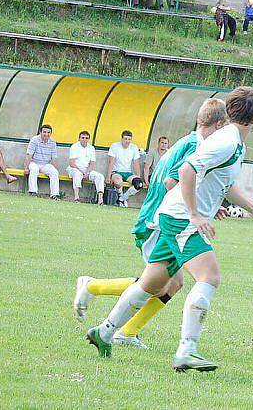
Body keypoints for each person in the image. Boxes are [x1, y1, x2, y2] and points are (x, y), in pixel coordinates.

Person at [85, 87, 253, 373]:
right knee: (209, 277)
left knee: (150, 284)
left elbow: (223, 183)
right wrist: (196, 214)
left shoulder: (234, 142)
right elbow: (187, 170)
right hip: (181, 219)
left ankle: (104, 332)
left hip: (173, 216)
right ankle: (187, 350)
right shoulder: (226, 142)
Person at [73, 99, 228, 350]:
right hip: (159, 222)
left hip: (162, 219)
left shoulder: (187, 142)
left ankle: (127, 330)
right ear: (219, 125)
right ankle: (92, 286)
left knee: (172, 283)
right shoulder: (195, 146)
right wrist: (196, 211)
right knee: (157, 284)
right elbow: (171, 182)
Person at [67, 131, 105, 204]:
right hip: (75, 168)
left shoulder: (91, 148)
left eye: (86, 138)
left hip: (87, 170)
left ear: (89, 139)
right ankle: (76, 197)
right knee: (77, 173)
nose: (84, 140)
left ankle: (100, 200)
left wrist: (87, 172)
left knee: (100, 176)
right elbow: (72, 163)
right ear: (79, 139)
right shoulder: (74, 146)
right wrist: (82, 172)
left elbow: (92, 163)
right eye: (82, 138)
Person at [108, 130, 143, 208]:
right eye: (125, 139)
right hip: (116, 172)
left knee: (139, 184)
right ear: (122, 139)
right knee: (118, 182)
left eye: (129, 139)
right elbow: (111, 162)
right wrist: (108, 176)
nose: (127, 141)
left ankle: (122, 199)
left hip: (128, 172)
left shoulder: (134, 147)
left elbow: (136, 164)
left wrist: (138, 176)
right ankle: (121, 197)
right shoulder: (115, 146)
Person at [24, 124, 59, 199]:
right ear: (40, 132)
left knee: (55, 172)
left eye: (48, 132)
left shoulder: (53, 142)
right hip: (34, 162)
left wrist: (53, 168)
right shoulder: (34, 140)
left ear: (51, 133)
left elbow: (54, 158)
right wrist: (26, 168)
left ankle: (54, 195)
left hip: (45, 164)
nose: (46, 134)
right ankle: (33, 192)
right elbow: (29, 155)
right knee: (34, 169)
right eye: (44, 132)